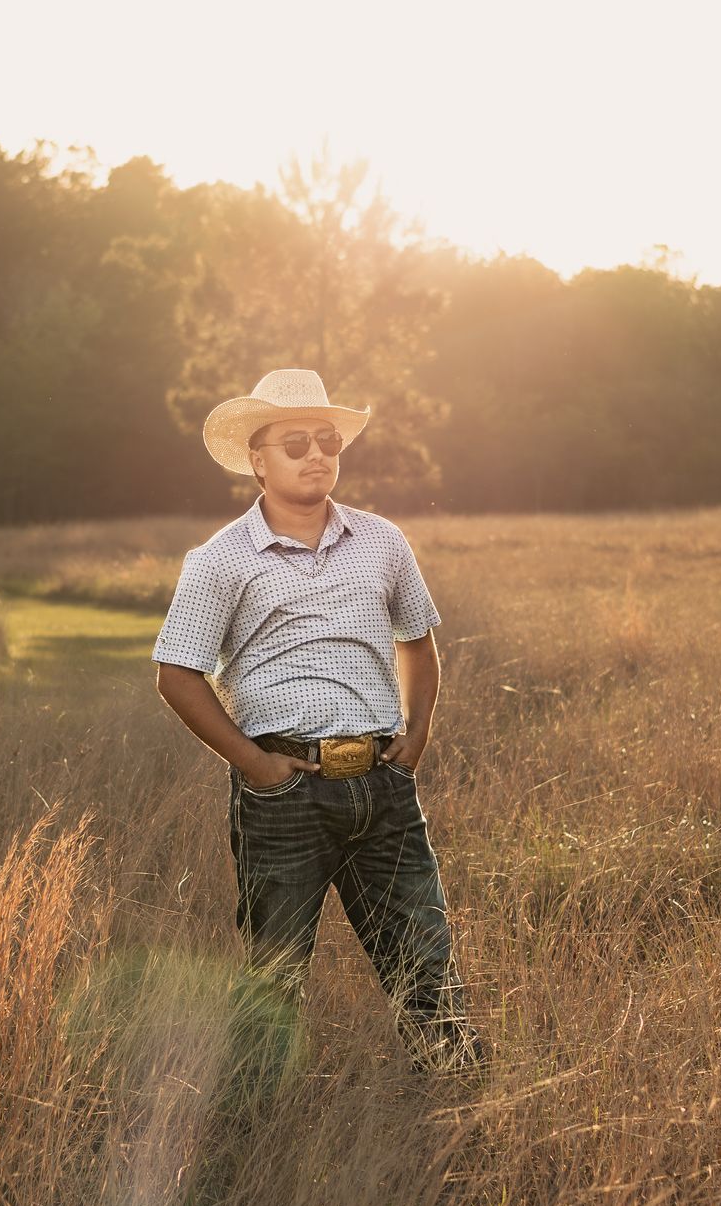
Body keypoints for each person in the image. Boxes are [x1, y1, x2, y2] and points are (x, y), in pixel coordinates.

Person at [151, 367, 483, 1077]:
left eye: (327, 441)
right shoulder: (220, 559)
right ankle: (256, 1123)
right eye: (295, 443)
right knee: (275, 978)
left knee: (426, 964)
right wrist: (256, 765)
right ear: (257, 459)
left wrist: (416, 735)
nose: (316, 455)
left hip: (383, 784)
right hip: (284, 792)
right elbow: (176, 674)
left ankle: (462, 1102)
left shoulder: (382, 541)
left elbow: (417, 642)